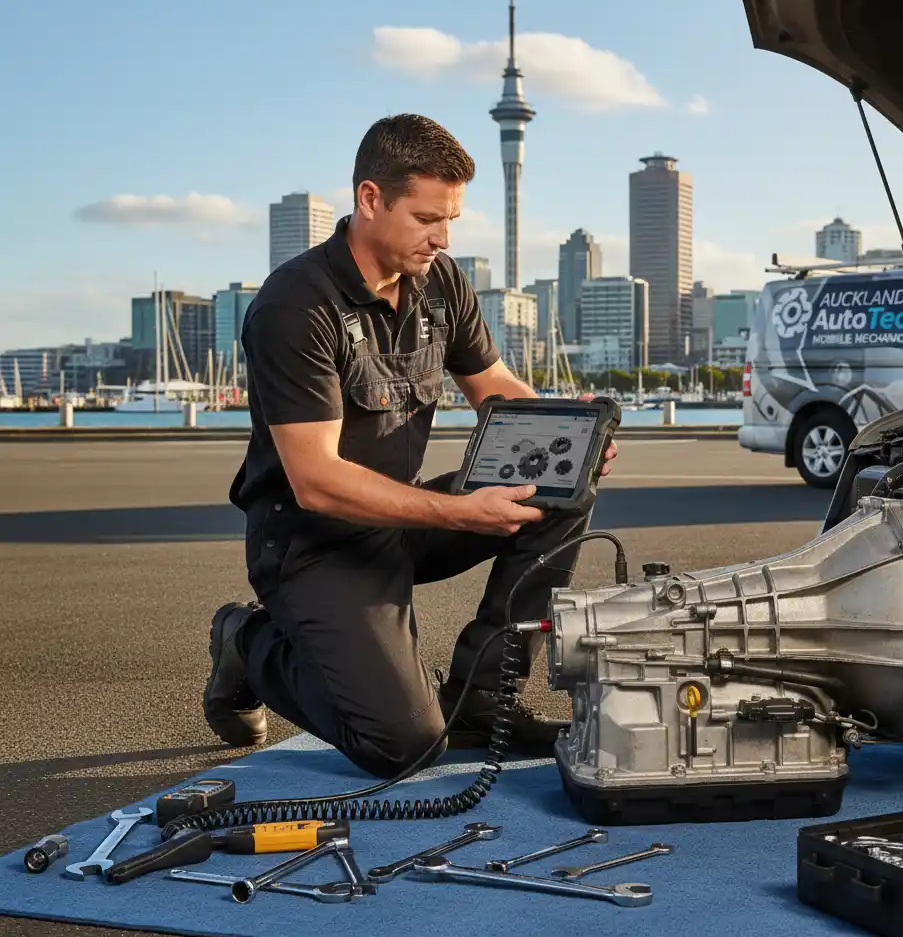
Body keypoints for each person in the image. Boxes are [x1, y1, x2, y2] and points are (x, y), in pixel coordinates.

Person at [202, 113, 617, 779]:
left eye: (449, 219)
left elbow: (495, 389)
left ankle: (484, 698)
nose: (442, 237)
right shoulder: (296, 306)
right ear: (370, 200)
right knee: (406, 746)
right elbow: (316, 480)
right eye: (427, 219)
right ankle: (244, 642)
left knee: (562, 492)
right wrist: (460, 513)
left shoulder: (441, 282)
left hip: (400, 521)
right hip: (313, 546)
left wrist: (568, 432)